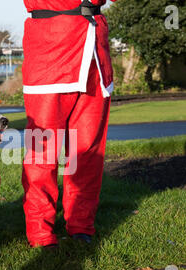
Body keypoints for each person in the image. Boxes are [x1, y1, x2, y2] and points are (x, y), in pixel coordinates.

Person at [22, 0, 116, 247]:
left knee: (87, 151)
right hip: (49, 53)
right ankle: (40, 231)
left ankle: (81, 224)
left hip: (94, 55)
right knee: (42, 152)